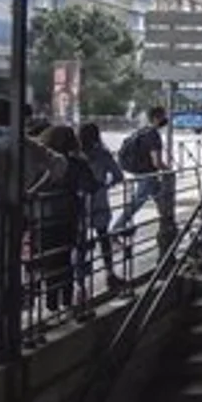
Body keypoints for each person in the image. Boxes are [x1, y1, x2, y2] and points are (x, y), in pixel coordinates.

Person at [0, 98, 65, 357]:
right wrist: (32, 190)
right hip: (17, 217)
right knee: (4, 273)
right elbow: (59, 164)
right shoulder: (25, 142)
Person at [30, 125, 96, 318]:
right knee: (65, 259)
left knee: (48, 261)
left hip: (42, 216)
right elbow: (91, 186)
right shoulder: (77, 163)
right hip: (69, 215)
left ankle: (51, 307)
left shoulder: (41, 163)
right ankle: (66, 303)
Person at [114, 105, 177, 252]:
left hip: (142, 173)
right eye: (163, 117)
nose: (165, 120)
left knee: (162, 200)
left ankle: (169, 225)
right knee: (138, 202)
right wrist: (169, 170)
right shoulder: (153, 135)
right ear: (156, 118)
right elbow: (156, 162)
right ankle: (116, 229)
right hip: (148, 174)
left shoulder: (142, 131)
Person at [78, 123, 127, 293]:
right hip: (99, 201)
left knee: (80, 243)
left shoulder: (76, 154)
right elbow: (118, 176)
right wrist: (106, 185)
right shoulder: (103, 154)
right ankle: (109, 273)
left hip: (79, 203)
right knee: (103, 239)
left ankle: (80, 284)